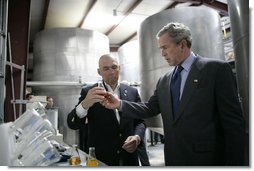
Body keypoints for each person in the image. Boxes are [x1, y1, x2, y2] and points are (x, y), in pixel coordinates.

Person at [101, 22, 246, 166]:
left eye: (165, 47)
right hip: (174, 158)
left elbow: (233, 124)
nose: (162, 53)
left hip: (207, 160)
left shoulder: (216, 70)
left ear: (182, 45)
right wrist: (119, 104)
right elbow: (150, 108)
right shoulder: (165, 80)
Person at [67, 54, 150, 166]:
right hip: (101, 159)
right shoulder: (90, 92)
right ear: (99, 72)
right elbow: (73, 124)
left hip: (129, 158)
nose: (111, 71)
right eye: (106, 69)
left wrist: (137, 137)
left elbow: (140, 121)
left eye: (114, 67)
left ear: (119, 68)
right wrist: (85, 104)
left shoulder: (132, 92)